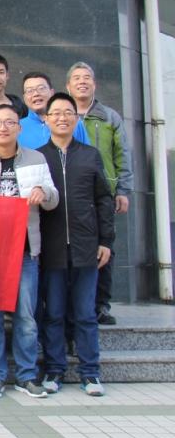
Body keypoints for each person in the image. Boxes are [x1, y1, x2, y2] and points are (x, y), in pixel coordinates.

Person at [0, 104, 58, 399]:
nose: (2, 128)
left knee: (26, 317)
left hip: (25, 250)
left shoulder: (36, 158)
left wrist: (44, 192)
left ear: (19, 127)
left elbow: (53, 199)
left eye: (9, 122)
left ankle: (27, 376)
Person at [38, 92, 115, 397]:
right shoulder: (37, 158)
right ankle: (54, 370)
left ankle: (90, 373)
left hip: (86, 247)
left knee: (85, 314)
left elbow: (104, 200)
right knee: (54, 313)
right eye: (55, 113)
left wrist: (106, 241)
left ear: (76, 118)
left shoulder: (90, 155)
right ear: (46, 120)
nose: (62, 118)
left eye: (68, 112)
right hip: (51, 248)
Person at [67, 62, 132, 325]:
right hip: (72, 191)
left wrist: (123, 189)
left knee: (105, 248)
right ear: (68, 86)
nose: (82, 82)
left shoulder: (109, 117)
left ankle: (101, 304)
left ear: (94, 84)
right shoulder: (61, 114)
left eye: (87, 78)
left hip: (103, 192)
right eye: (76, 78)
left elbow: (122, 154)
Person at [18, 72, 89, 149]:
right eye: (29, 91)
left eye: (41, 88)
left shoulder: (73, 122)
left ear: (52, 92)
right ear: (24, 98)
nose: (36, 94)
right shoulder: (17, 127)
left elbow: (87, 153)